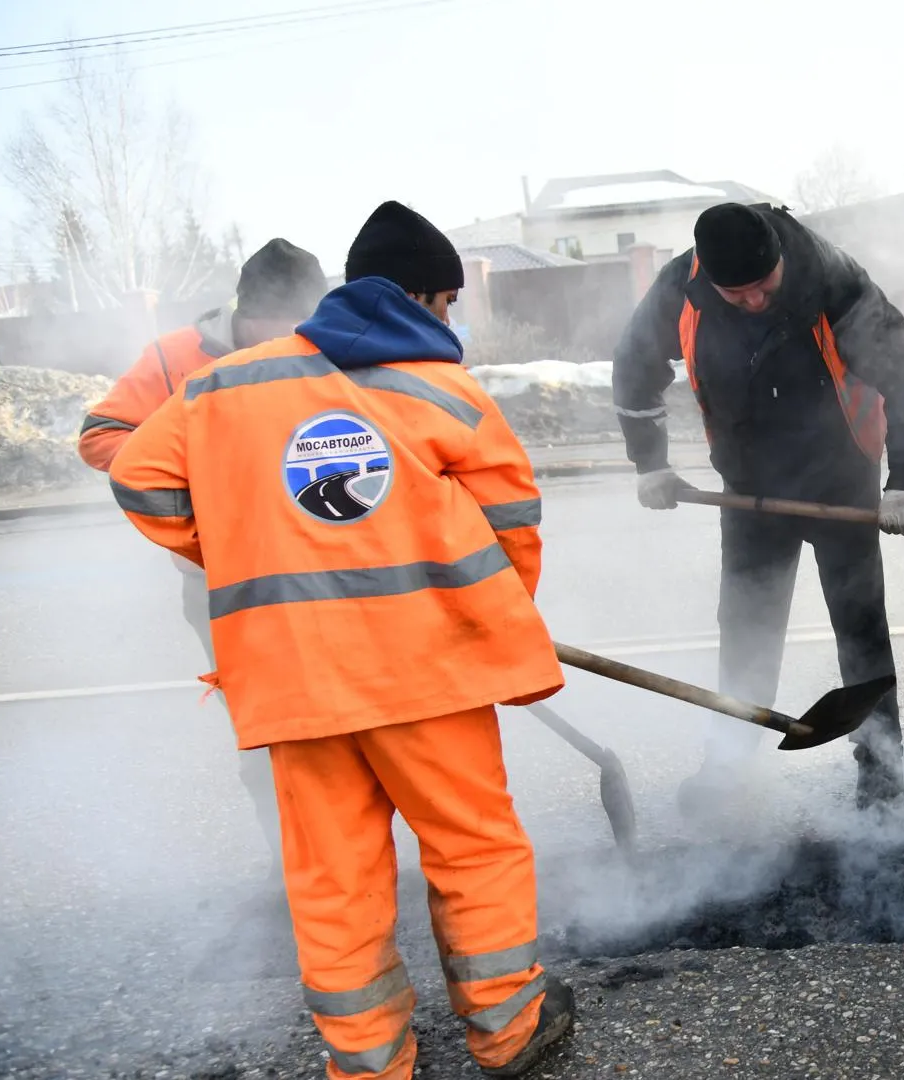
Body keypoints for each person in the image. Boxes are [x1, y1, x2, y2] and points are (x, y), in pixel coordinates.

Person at [108, 201, 574, 1080]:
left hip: (294, 680)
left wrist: (240, 548)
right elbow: (512, 523)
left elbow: (139, 480)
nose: (451, 322)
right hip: (428, 674)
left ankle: (369, 1062)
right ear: (425, 298)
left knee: (333, 875)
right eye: (449, 303)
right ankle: (508, 1033)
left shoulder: (224, 387)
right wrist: (491, 619)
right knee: (473, 849)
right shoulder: (443, 390)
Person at [612, 202, 904, 810]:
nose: (755, 301)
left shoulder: (832, 278)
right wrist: (650, 463)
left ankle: (884, 775)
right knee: (746, 628)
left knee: (861, 625)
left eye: (764, 285)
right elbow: (634, 368)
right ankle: (731, 767)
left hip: (843, 475)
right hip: (750, 487)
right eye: (737, 294)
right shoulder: (681, 288)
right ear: (709, 279)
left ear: (780, 260)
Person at [79, 237, 328, 881]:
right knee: (268, 728)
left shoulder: (331, 345)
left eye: (298, 331)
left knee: (346, 720)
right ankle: (294, 867)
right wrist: (197, 485)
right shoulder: (172, 360)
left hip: (328, 570)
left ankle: (353, 861)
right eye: (267, 335)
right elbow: (102, 436)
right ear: (240, 314)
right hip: (223, 582)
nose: (283, 348)